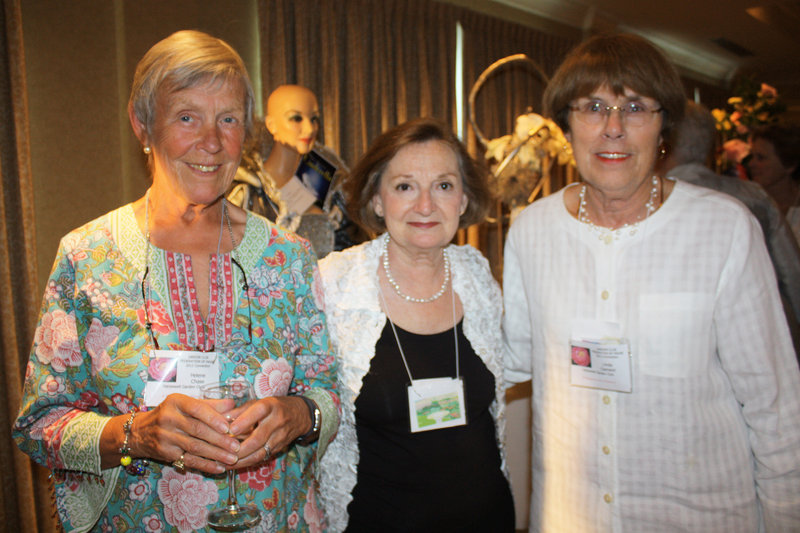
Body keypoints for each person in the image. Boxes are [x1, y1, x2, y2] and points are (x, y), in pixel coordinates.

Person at [13, 30, 339, 532]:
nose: (211, 143)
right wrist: (135, 434)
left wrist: (300, 415)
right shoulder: (87, 256)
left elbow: (326, 392)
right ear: (143, 126)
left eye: (227, 119)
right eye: (187, 117)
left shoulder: (288, 257)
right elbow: (39, 426)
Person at [503, 33, 800, 532]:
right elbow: (502, 361)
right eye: (594, 106)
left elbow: (776, 407)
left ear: (664, 127)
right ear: (567, 125)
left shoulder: (722, 229)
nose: (613, 129)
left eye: (636, 107)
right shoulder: (532, 231)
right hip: (573, 518)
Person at [317, 118, 514, 532]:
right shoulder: (335, 283)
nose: (426, 206)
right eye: (405, 186)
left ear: (463, 199)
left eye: (443, 186)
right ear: (376, 199)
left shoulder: (476, 275)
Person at [661, 101, 800, 354]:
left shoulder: (653, 201)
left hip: (684, 344)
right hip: (760, 335)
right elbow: (791, 271)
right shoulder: (754, 195)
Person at [228, 84, 364, 256]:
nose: (309, 129)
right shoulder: (246, 190)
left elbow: (352, 252)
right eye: (296, 118)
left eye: (314, 119)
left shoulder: (325, 182)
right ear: (271, 125)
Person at [748, 124, 800, 243]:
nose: (751, 164)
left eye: (760, 158)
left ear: (789, 164)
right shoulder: (749, 202)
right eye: (752, 156)